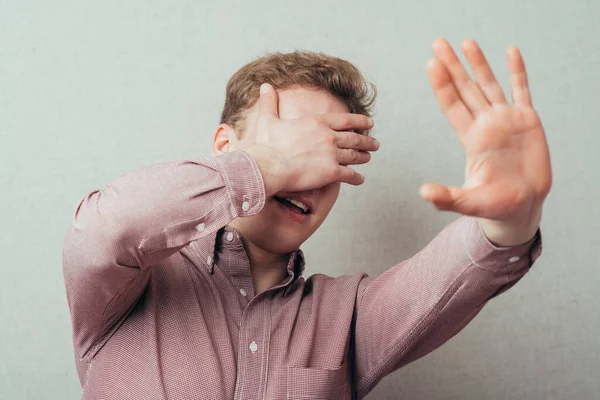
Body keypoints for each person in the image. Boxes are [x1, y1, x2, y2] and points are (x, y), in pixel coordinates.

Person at [62, 38, 551, 399]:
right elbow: (105, 229)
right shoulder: (134, 280)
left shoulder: (348, 317)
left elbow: (458, 271)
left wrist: (513, 216)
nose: (309, 173)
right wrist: (266, 167)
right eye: (293, 144)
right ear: (225, 148)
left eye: (330, 156)